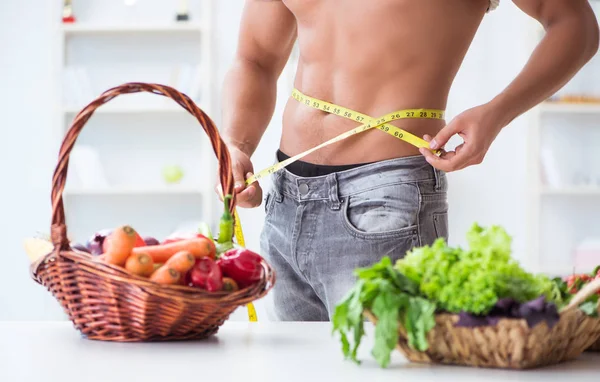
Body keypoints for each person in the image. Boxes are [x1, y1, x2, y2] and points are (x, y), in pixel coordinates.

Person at [218, 0, 599, 321]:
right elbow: (255, 59)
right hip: (284, 198)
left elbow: (575, 24)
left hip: (386, 199)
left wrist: (495, 113)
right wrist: (236, 144)